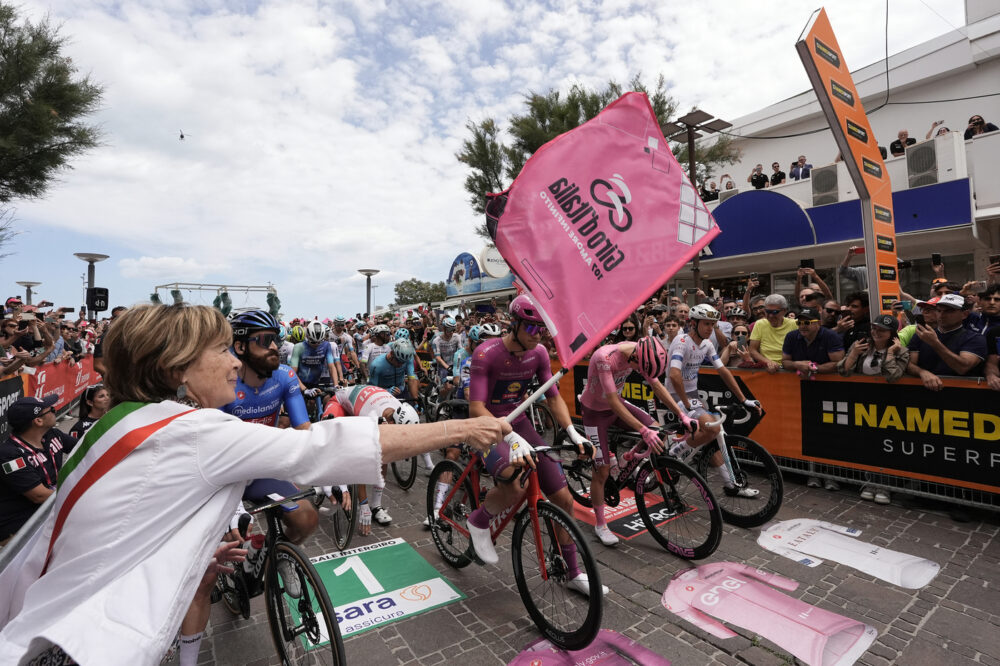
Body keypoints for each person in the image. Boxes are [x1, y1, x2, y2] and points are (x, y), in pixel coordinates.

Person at [0, 303, 510, 665]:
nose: (235, 362)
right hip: (92, 643)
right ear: (175, 367)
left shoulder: (120, 423)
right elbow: (319, 449)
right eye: (221, 350)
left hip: (46, 623)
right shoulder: (193, 429)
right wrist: (463, 428)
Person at [464, 295, 599, 594]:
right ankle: (479, 520)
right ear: (514, 324)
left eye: (542, 330)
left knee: (564, 499)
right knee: (516, 486)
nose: (537, 336)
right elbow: (476, 409)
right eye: (531, 328)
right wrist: (509, 438)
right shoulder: (486, 354)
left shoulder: (538, 353)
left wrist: (572, 433)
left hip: (519, 423)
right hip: (487, 424)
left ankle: (573, 572)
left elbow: (553, 397)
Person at [580, 336, 696, 546]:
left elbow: (656, 385)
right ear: (634, 358)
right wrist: (642, 430)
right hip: (595, 412)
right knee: (602, 471)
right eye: (638, 368)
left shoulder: (641, 351)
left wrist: (682, 415)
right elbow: (613, 401)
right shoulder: (605, 357)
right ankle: (600, 524)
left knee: (657, 429)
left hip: (617, 406)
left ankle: (626, 458)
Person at [665, 305, 763, 494]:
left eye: (712, 324)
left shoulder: (707, 344)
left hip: (692, 395)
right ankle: (674, 454)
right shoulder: (681, 341)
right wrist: (686, 404)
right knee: (713, 428)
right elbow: (675, 376)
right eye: (706, 324)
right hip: (675, 395)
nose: (710, 328)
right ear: (693, 323)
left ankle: (730, 484)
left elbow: (723, 371)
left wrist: (744, 400)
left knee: (713, 435)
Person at [0, 396, 73, 545]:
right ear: (38, 421)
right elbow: (39, 495)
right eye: (51, 410)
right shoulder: (9, 455)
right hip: (20, 526)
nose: (55, 411)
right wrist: (79, 492)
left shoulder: (52, 435)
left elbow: (86, 447)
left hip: (46, 511)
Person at [906, 293, 987, 391]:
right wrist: (922, 372)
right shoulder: (922, 334)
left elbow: (962, 367)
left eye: (949, 311)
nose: (942, 315)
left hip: (962, 395)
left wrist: (935, 343)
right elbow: (909, 365)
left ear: (964, 314)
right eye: (939, 310)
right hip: (924, 393)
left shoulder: (974, 338)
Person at [781, 307, 845, 379]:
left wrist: (813, 368)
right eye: (799, 323)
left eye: (807, 322)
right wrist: (796, 364)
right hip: (798, 383)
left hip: (829, 381)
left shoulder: (831, 336)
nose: (802, 326)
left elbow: (839, 363)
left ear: (819, 323)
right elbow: (785, 361)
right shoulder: (791, 336)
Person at [748, 294, 797, 371]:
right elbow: (752, 350)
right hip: (767, 368)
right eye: (767, 311)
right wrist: (768, 362)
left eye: (775, 312)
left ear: (784, 311)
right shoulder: (760, 324)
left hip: (790, 368)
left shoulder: (795, 324)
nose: (770, 315)